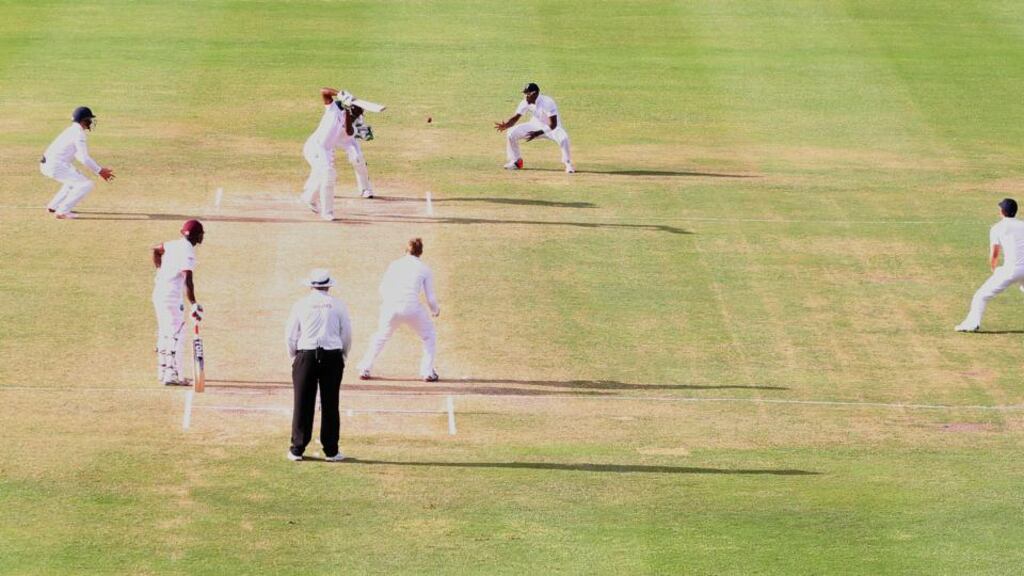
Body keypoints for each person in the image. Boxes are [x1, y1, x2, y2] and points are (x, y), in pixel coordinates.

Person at [285, 268, 353, 462]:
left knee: (302, 403)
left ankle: (297, 449)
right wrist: (343, 355)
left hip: (306, 354)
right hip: (332, 356)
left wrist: (295, 357)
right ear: (328, 285)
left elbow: (290, 334)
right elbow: (346, 333)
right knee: (331, 403)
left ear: (311, 286)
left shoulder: (301, 304)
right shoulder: (338, 305)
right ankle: (331, 450)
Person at [357, 238, 441, 382]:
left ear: (405, 250)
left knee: (381, 336)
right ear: (420, 253)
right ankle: (427, 372)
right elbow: (431, 298)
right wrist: (435, 310)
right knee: (429, 336)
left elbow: (382, 288)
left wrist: (389, 304)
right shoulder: (425, 269)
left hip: (391, 307)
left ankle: (365, 367)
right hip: (412, 308)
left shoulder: (394, 265)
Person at [300, 88, 374, 221]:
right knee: (328, 174)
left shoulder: (349, 123)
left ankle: (308, 198)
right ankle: (326, 212)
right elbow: (324, 91)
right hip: (314, 147)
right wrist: (340, 94)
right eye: (358, 112)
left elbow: (350, 132)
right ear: (350, 109)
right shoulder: (332, 109)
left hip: (325, 150)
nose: (359, 116)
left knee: (327, 175)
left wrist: (348, 115)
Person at [956, 198, 1024, 332]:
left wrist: (994, 268)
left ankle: (972, 324)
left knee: (980, 295)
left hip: (1011, 270)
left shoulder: (997, 228)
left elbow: (994, 253)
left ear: (1002, 212)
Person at [152, 220, 204, 386]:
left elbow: (156, 250)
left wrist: (160, 270)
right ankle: (173, 375)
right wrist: (194, 303)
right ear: (197, 236)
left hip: (159, 293)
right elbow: (188, 279)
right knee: (177, 333)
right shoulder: (187, 251)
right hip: (171, 297)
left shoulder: (173, 244)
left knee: (165, 332)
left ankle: (163, 371)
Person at [39, 106, 115, 219]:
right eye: (89, 119)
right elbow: (84, 158)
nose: (91, 121)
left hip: (48, 164)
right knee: (86, 184)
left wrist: (98, 170)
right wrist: (100, 171)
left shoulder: (71, 130)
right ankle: (62, 211)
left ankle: (53, 206)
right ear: (83, 120)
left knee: (73, 181)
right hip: (55, 165)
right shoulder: (78, 133)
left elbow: (79, 155)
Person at [494, 82, 575, 174]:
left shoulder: (548, 102)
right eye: (525, 93)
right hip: (535, 125)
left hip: (552, 128)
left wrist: (537, 133)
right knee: (511, 133)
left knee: (564, 138)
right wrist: (507, 125)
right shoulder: (525, 102)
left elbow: (553, 125)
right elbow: (516, 117)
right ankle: (516, 162)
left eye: (527, 94)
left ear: (535, 94)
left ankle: (568, 164)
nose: (525, 96)